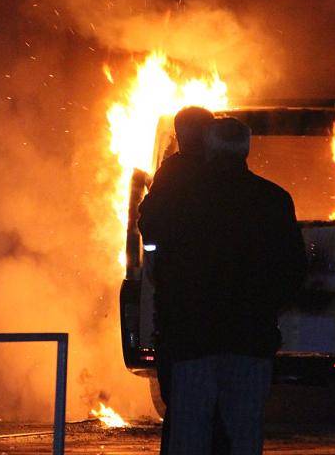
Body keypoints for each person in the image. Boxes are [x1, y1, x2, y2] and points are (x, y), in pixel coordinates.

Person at [142, 117, 306, 455]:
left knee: (190, 431)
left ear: (209, 148)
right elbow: (292, 269)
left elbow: (152, 234)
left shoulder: (181, 197)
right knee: (244, 431)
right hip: (250, 338)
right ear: (246, 150)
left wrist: (169, 295)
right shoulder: (273, 198)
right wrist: (266, 309)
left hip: (193, 337)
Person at [139, 106, 232, 455]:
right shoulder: (223, 173)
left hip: (179, 305)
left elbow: (149, 222)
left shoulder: (172, 173)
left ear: (179, 135)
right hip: (221, 308)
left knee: (179, 400)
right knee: (221, 402)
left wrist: (155, 258)